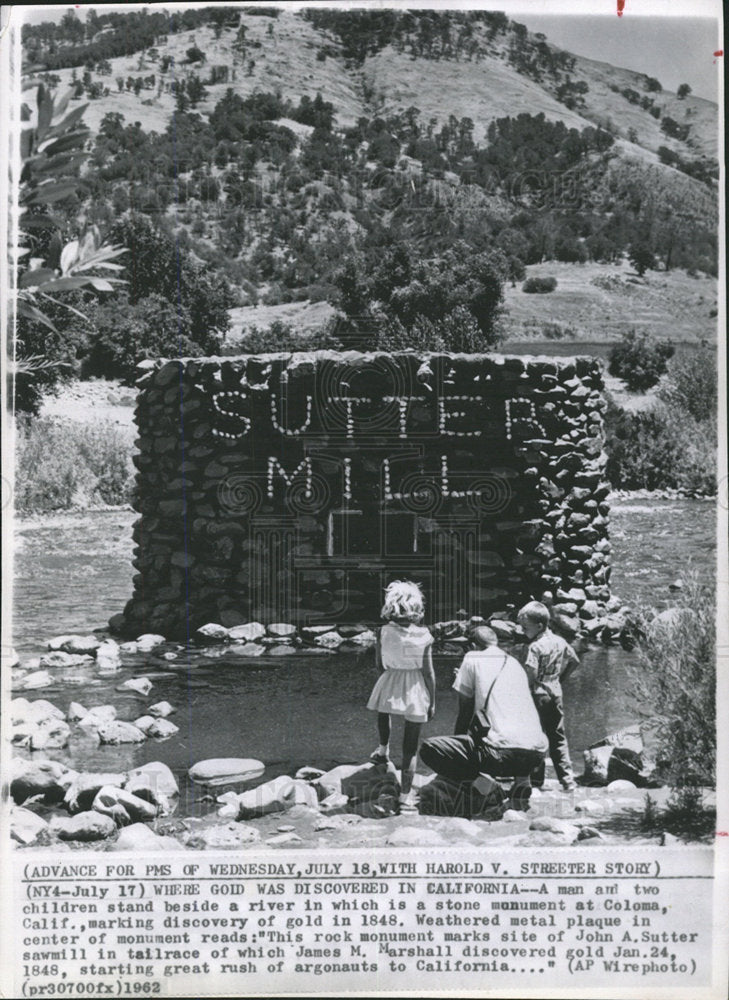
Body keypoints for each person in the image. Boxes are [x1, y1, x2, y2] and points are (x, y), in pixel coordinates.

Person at [419, 626, 548, 812]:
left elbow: (465, 712)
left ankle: (485, 787)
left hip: (501, 756)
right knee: (512, 726)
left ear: (472, 645)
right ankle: (522, 781)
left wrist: (458, 752)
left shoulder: (472, 657)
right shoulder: (514, 662)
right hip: (536, 754)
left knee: (429, 748)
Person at [367, 580, 435, 813]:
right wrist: (433, 700)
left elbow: (379, 664)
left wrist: (391, 674)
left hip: (391, 677)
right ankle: (405, 796)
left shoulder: (383, 631)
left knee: (383, 710)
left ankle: (383, 748)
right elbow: (428, 672)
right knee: (410, 747)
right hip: (415, 684)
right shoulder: (425, 635)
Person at [516, 600, 579, 792]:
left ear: (539, 626)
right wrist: (561, 679)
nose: (522, 631)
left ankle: (536, 780)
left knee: (537, 737)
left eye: (525, 627)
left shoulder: (534, 647)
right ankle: (567, 780)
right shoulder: (560, 642)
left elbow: (531, 674)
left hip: (537, 695)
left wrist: (521, 692)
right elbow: (574, 660)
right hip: (555, 693)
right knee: (558, 737)